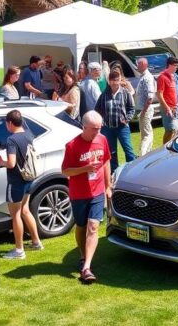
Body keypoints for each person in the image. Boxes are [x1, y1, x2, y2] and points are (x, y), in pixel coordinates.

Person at [61, 111, 111, 284]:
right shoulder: (72, 146)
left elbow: (106, 161)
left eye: (99, 128)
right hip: (79, 193)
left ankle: (87, 267)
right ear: (84, 127)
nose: (97, 132)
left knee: (93, 226)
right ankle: (83, 256)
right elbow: (65, 171)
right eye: (94, 129)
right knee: (81, 227)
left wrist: (107, 186)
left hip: (96, 192)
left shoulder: (102, 140)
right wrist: (85, 169)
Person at [0, 110, 43, 259]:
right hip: (29, 179)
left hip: (16, 181)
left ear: (10, 123)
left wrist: (0, 162)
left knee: (16, 214)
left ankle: (19, 250)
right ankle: (36, 242)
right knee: (25, 210)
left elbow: (11, 163)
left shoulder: (11, 140)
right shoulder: (28, 134)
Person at [96, 70, 136, 170]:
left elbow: (131, 109)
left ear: (120, 80)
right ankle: (114, 172)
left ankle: (131, 171)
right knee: (111, 152)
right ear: (109, 81)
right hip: (108, 128)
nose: (115, 82)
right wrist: (101, 120)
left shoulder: (125, 93)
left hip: (122, 128)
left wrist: (126, 119)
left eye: (117, 80)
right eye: (112, 80)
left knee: (129, 151)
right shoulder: (104, 94)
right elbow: (97, 109)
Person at [134, 58, 157, 155]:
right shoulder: (144, 77)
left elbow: (150, 97)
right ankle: (147, 153)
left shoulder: (147, 77)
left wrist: (143, 111)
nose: (136, 67)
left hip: (145, 110)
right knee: (145, 133)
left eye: (138, 64)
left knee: (147, 134)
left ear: (143, 65)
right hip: (143, 109)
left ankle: (142, 154)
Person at [157, 57, 178, 145]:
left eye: (177, 66)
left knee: (175, 130)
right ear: (169, 65)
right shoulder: (162, 77)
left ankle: (170, 147)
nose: (176, 68)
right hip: (168, 108)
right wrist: (167, 108)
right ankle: (164, 148)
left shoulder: (174, 77)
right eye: (174, 66)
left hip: (175, 107)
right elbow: (159, 94)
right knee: (170, 129)